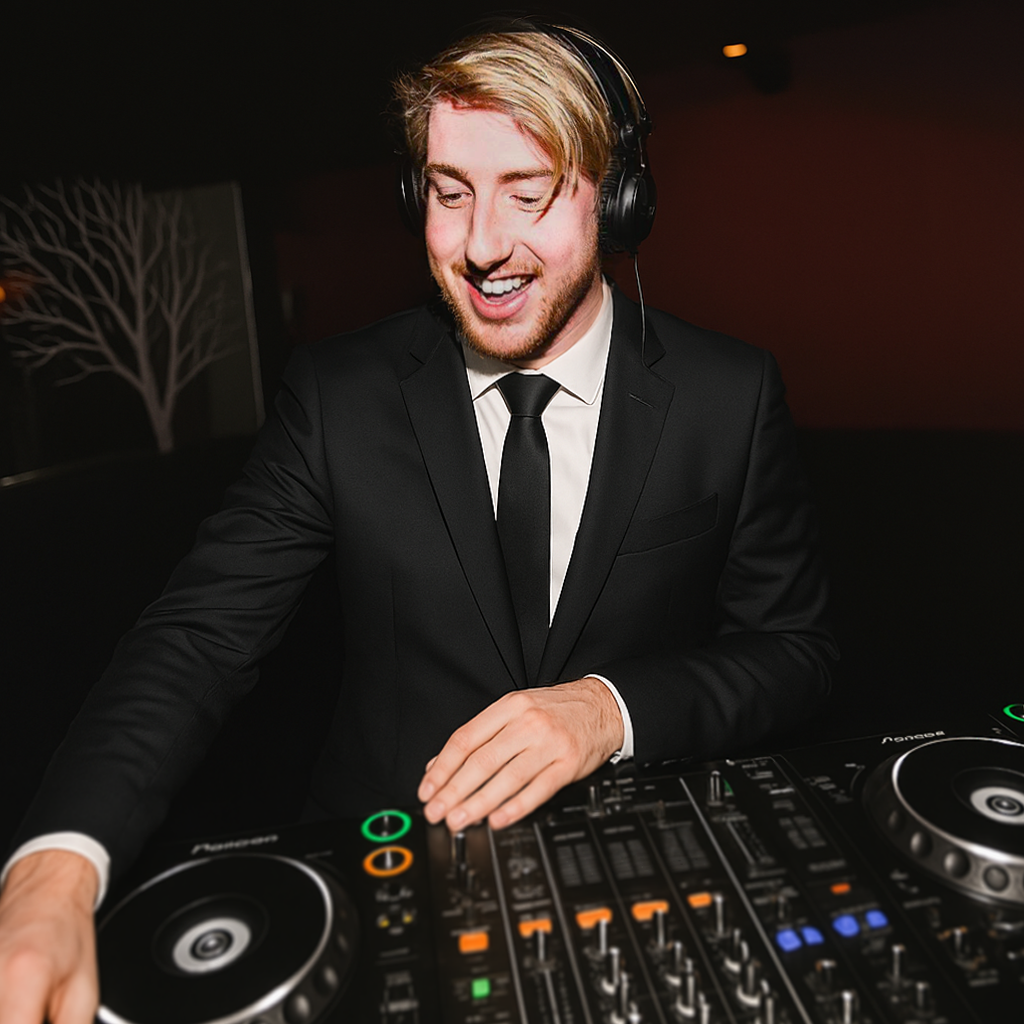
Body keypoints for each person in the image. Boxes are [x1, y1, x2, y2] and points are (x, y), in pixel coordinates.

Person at [0, 21, 837, 1024]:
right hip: (381, 874)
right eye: (448, 192)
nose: (481, 244)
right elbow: (197, 637)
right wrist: (54, 865)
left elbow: (796, 652)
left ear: (618, 199)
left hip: (636, 871)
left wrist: (610, 709)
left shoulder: (727, 394)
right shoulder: (339, 393)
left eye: (527, 193)